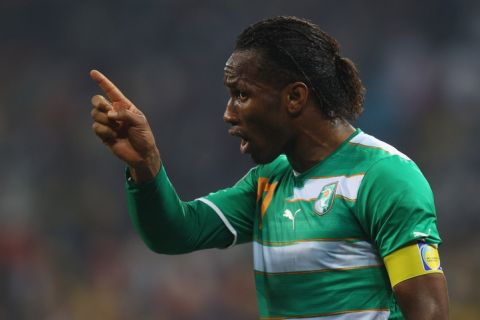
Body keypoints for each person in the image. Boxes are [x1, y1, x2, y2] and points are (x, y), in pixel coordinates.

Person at [90, 16, 448, 320]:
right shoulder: (267, 182)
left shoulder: (384, 177)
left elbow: (429, 313)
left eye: (241, 94)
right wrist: (145, 164)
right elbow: (175, 232)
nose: (229, 113)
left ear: (295, 97)